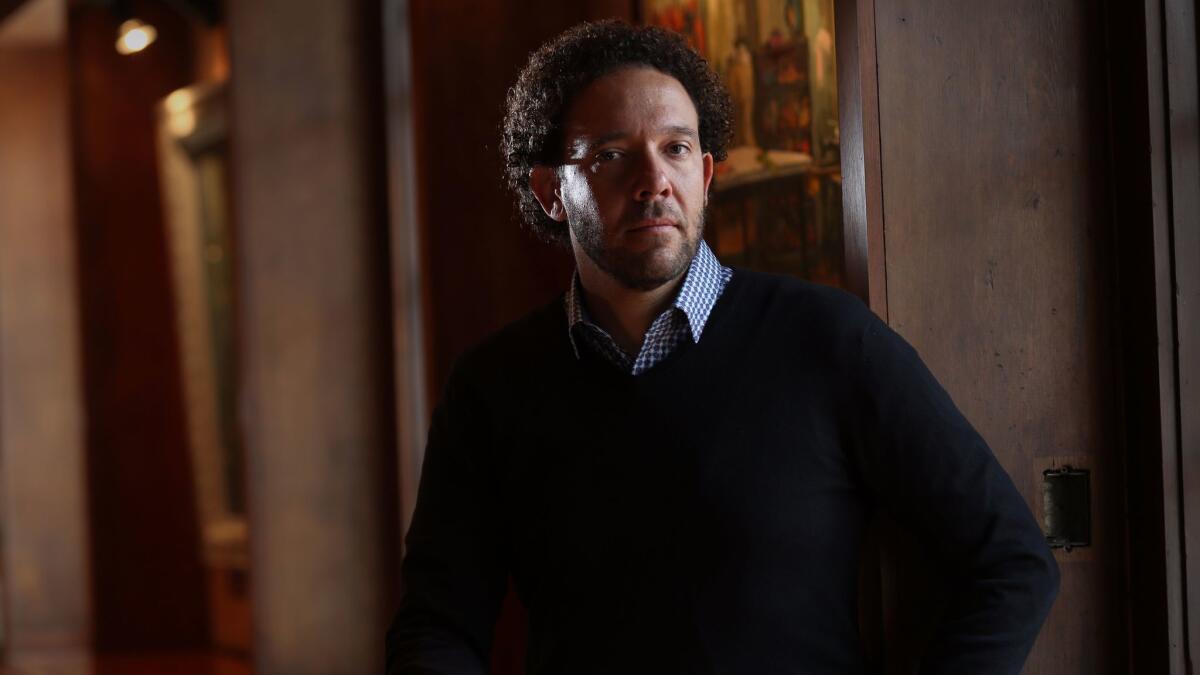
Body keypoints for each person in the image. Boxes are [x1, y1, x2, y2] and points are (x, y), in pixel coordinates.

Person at [387, 20, 1059, 675]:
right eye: (612, 155)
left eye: (676, 148)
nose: (655, 182)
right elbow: (438, 624)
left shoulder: (826, 340)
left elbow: (1011, 561)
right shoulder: (492, 386)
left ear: (707, 173)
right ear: (550, 191)